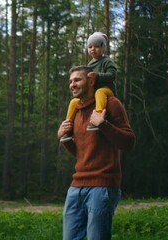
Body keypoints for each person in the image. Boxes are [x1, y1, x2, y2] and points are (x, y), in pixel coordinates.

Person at [57, 66, 135, 240]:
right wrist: (64, 138)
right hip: (76, 187)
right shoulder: (75, 110)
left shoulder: (111, 104)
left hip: (103, 186)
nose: (72, 85)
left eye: (77, 80)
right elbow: (81, 153)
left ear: (91, 81)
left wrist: (103, 124)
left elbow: (129, 142)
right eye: (70, 81)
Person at [60, 32, 117, 142]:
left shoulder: (107, 61)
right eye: (90, 47)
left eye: (96, 46)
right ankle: (68, 128)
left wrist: (97, 76)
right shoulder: (90, 64)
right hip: (93, 92)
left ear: (103, 48)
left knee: (99, 92)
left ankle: (98, 116)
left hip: (107, 90)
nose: (93, 49)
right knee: (73, 102)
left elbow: (112, 75)